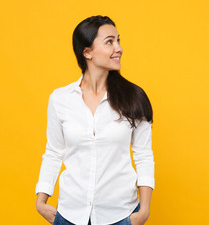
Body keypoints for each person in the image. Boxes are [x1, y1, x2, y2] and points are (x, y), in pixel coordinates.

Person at [35, 15, 155, 225]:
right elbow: (53, 152)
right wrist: (41, 201)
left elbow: (143, 155)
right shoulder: (60, 99)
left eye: (118, 40)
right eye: (109, 42)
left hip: (120, 215)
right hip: (70, 215)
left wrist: (143, 211)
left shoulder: (134, 97)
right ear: (87, 52)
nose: (118, 48)